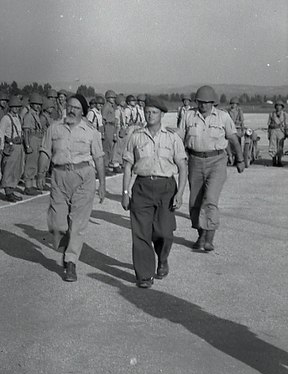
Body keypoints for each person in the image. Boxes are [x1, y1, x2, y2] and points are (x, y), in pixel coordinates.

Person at [38, 94, 106, 282]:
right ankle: (67, 246)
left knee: (78, 223)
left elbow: (99, 158)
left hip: (84, 177)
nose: (72, 110)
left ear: (83, 111)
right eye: (69, 106)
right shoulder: (54, 128)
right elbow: (45, 151)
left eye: (76, 108)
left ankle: (71, 262)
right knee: (57, 225)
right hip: (59, 177)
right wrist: (39, 173)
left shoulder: (91, 131)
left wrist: (102, 184)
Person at [121, 97, 188, 288]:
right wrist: (125, 192)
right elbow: (127, 166)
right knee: (140, 233)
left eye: (154, 112)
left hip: (166, 188)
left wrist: (180, 193)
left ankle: (163, 258)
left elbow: (183, 166)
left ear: (162, 115)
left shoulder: (172, 137)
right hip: (141, 187)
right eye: (148, 112)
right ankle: (144, 275)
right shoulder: (136, 136)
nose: (150, 115)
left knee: (164, 233)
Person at [176, 85, 245, 251]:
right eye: (200, 102)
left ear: (213, 102)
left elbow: (234, 139)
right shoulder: (188, 115)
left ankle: (209, 238)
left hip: (217, 161)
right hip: (195, 161)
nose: (203, 105)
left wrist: (240, 159)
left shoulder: (223, 117)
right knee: (194, 202)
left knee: (210, 199)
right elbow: (179, 137)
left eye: (207, 102)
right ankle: (201, 235)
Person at [0, 95, 24, 201]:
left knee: (17, 170)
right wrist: (0, 147)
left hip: (19, 146)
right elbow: (1, 133)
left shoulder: (18, 117)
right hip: (10, 146)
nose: (17, 109)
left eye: (18, 107)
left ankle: (12, 190)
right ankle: (8, 192)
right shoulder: (6, 118)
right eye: (14, 106)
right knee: (8, 169)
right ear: (10, 107)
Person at [22, 93, 46, 195]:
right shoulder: (28, 116)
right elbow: (26, 132)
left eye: (39, 104)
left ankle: (31, 185)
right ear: (31, 104)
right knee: (30, 163)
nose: (38, 106)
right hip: (32, 139)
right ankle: (28, 186)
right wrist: (27, 145)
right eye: (35, 104)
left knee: (35, 163)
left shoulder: (35, 115)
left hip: (37, 139)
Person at [102, 90, 120, 173]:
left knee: (112, 146)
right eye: (111, 97)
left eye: (113, 98)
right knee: (107, 147)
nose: (113, 99)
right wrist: (103, 131)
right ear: (107, 98)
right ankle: (105, 166)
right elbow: (103, 119)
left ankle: (110, 165)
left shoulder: (112, 106)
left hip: (112, 127)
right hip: (108, 126)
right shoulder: (106, 107)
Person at [226, 97, 244, 166]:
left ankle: (237, 159)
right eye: (232, 104)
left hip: (237, 129)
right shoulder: (228, 111)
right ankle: (230, 158)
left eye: (235, 104)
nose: (233, 105)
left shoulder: (239, 111)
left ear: (237, 105)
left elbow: (242, 121)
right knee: (229, 144)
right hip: (230, 129)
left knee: (237, 144)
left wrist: (241, 128)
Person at [267, 100, 286, 167]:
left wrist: (286, 133)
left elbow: (286, 124)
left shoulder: (284, 114)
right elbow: (269, 125)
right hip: (273, 131)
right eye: (277, 105)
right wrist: (268, 134)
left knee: (280, 147)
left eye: (280, 106)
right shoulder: (271, 114)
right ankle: (274, 160)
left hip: (281, 131)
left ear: (282, 107)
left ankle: (279, 161)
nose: (278, 107)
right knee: (273, 147)